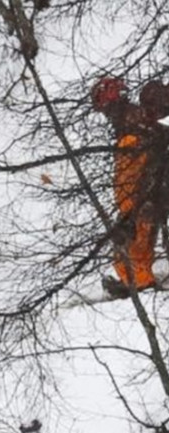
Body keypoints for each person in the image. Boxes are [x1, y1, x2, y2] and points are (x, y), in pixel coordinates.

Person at [91, 77, 169, 298]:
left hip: (140, 172)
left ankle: (139, 281)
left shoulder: (136, 121)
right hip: (139, 169)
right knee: (137, 221)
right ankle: (137, 279)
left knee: (138, 220)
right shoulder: (134, 120)